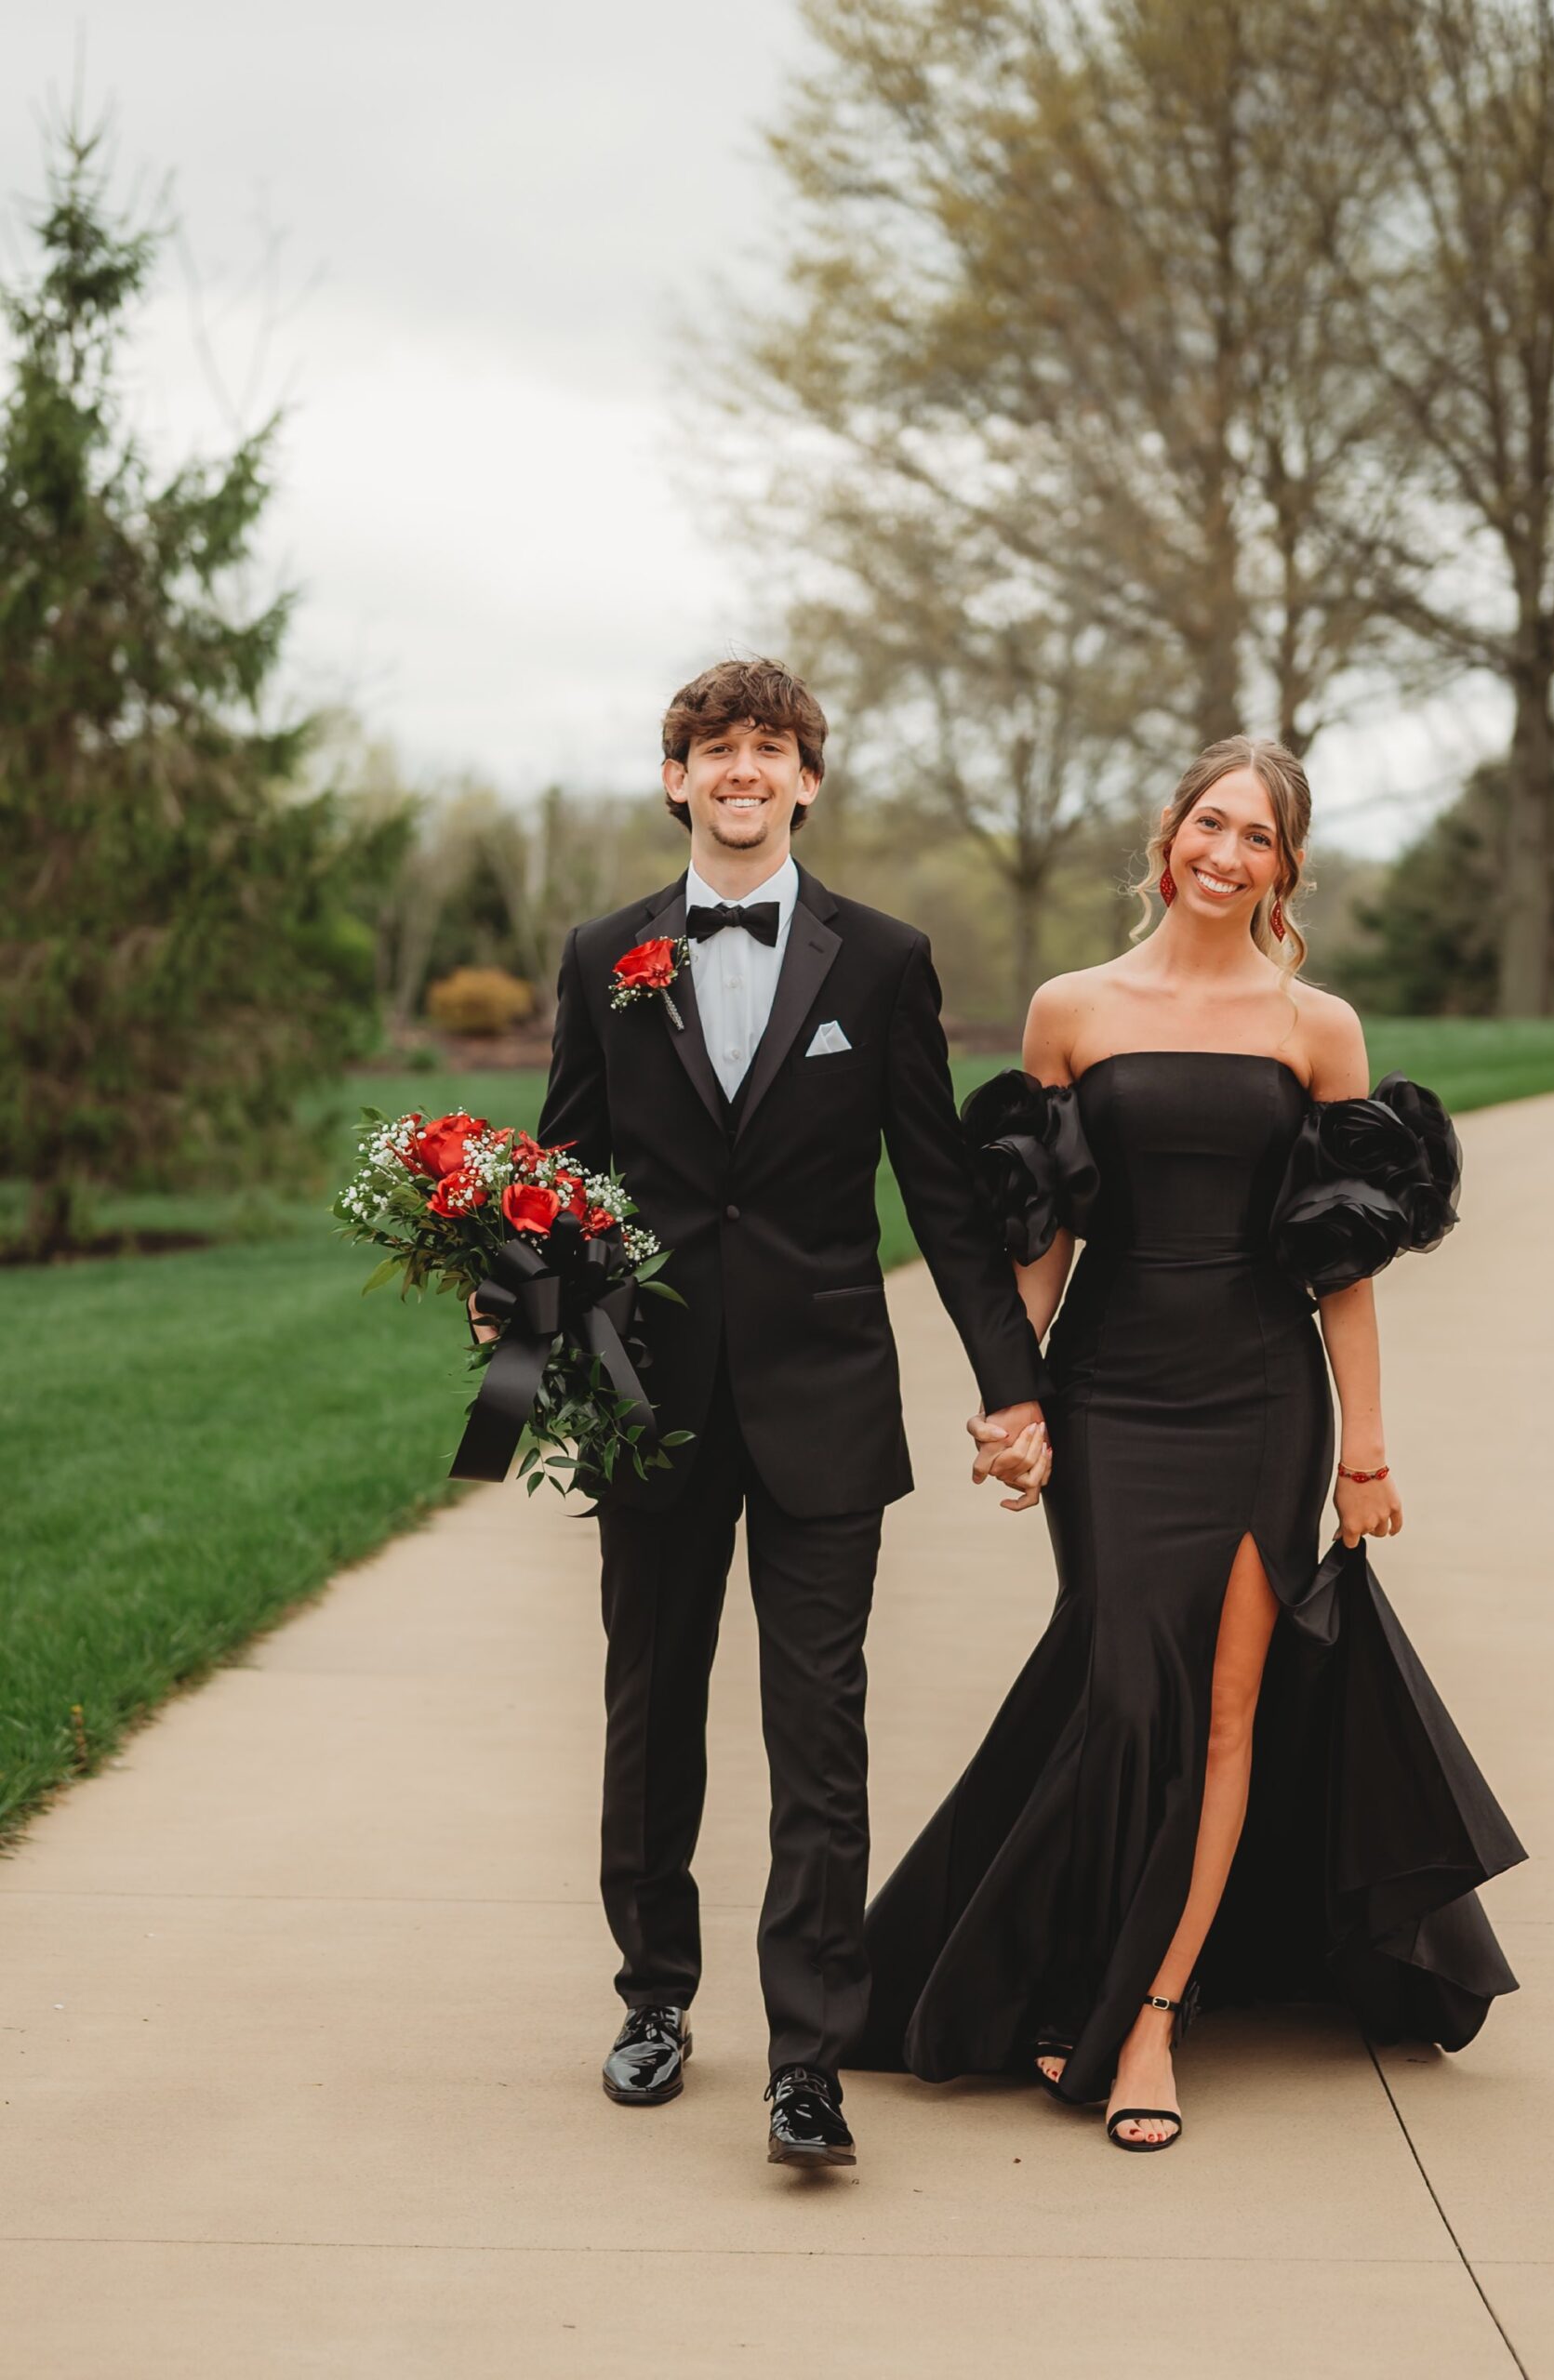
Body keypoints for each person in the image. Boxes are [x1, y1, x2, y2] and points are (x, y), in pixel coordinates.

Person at [858, 734, 1524, 2151]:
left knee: (1222, 1714)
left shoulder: (1314, 1028)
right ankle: (1069, 1962)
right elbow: (1035, 1234)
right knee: (1116, 1686)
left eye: (1259, 839)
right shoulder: (1069, 1010)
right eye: (1208, 825)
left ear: (1285, 868)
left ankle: (1151, 2011)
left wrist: (1366, 1453)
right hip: (1107, 1392)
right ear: (1166, 835)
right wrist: (1010, 1399)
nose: (1226, 856)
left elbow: (1337, 1267)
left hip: (1260, 1398)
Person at [501, 657, 1050, 2169]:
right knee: (649, 1712)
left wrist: (1014, 1384)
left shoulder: (881, 961)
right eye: (713, 748)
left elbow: (938, 1195)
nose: (741, 769)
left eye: (770, 747)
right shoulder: (603, 954)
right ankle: (655, 2001)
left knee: (820, 1732)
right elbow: (565, 1171)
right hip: (653, 1401)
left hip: (824, 1400)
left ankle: (807, 2057)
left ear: (807, 780)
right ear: (675, 779)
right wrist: (519, 1294)